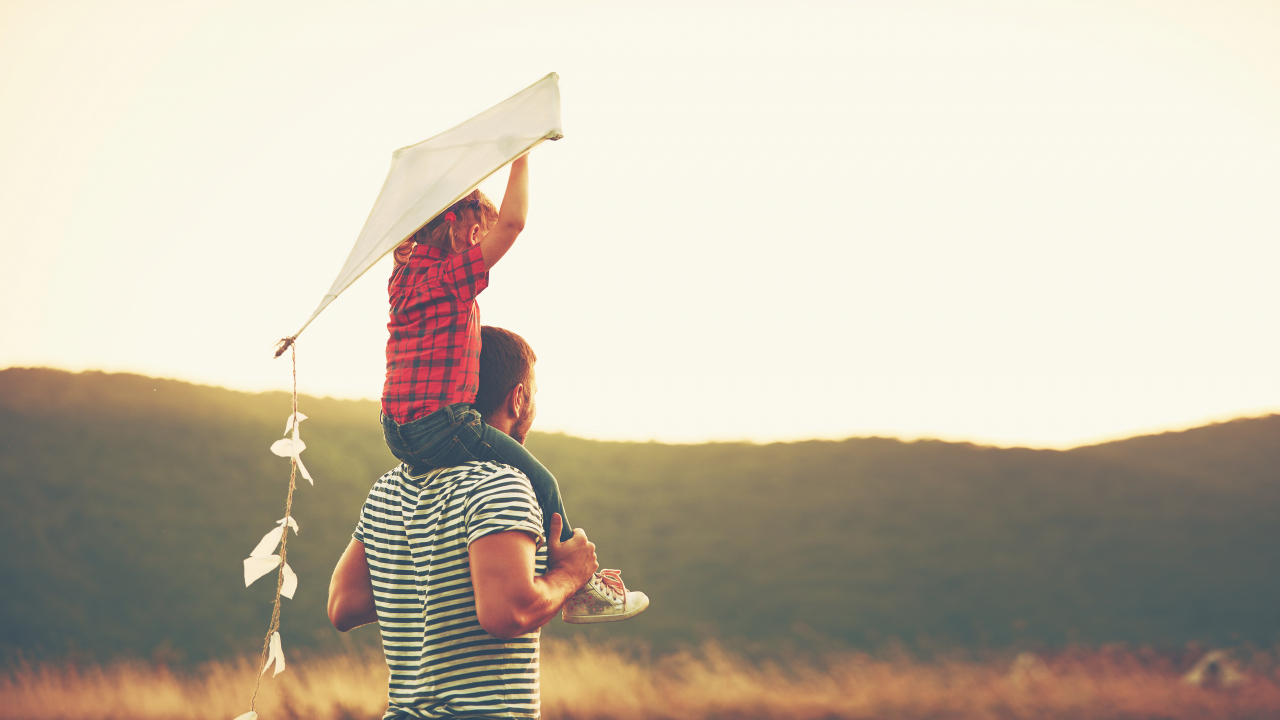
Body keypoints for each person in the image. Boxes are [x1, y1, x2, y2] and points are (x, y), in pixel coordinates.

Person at [328, 327, 649, 720]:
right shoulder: (499, 481)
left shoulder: (387, 488)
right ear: (518, 399)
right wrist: (569, 576)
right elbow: (506, 614)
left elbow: (344, 606)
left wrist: (437, 583)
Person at [379, 154, 644, 623]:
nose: (485, 240)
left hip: (396, 431)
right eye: (478, 232)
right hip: (443, 424)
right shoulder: (449, 277)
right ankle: (580, 587)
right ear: (457, 226)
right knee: (543, 482)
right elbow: (514, 224)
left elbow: (492, 222)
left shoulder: (403, 275)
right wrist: (519, 156)